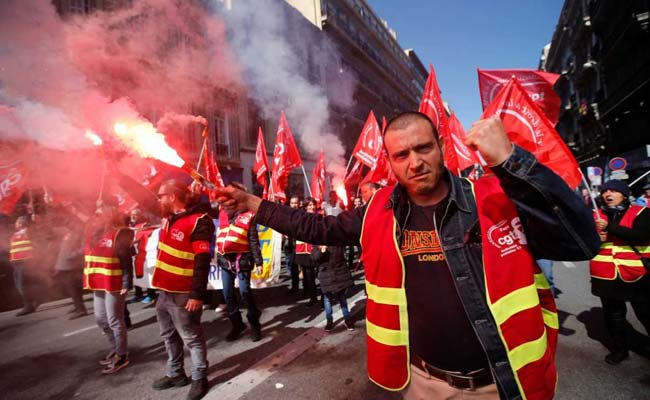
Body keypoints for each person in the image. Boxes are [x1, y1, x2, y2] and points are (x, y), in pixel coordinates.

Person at [215, 112, 600, 399]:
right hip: (423, 384)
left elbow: (581, 242)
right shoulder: (378, 210)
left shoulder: (493, 197)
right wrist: (254, 203)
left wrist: (511, 161)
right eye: (401, 155)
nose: (414, 162)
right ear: (390, 162)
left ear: (442, 148)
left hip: (498, 383)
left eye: (423, 148)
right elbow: (320, 229)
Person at [151, 179, 214, 400]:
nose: (157, 199)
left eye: (161, 195)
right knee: (169, 335)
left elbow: (202, 260)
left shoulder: (200, 221)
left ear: (172, 197)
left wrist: (197, 294)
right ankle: (176, 374)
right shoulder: (170, 218)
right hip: (164, 292)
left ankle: (199, 378)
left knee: (192, 338)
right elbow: (141, 196)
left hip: (184, 294)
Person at [591, 179, 650, 365]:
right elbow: (583, 244)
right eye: (605, 191)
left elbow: (642, 236)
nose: (607, 194)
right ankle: (620, 349)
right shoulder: (595, 215)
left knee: (645, 313)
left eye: (613, 191)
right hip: (604, 274)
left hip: (636, 273)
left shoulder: (642, 212)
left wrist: (609, 228)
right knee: (613, 316)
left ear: (624, 194)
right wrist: (595, 238)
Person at [83, 198, 134, 374]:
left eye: (98, 214)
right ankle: (115, 348)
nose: (94, 217)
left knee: (114, 320)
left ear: (108, 216)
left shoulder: (119, 233)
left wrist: (127, 282)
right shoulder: (92, 233)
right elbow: (75, 217)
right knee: (100, 319)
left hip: (115, 283)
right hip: (98, 282)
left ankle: (122, 356)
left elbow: (126, 261)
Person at [216, 194, 264, 342]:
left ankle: (254, 323)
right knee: (228, 294)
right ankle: (237, 324)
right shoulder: (222, 213)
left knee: (245, 292)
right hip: (225, 260)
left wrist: (259, 261)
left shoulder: (248, 215)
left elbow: (253, 239)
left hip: (242, 259)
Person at [313, 244, 354, 332]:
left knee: (342, 297)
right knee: (327, 299)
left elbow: (341, 257)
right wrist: (321, 252)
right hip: (325, 275)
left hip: (338, 274)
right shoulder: (318, 241)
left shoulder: (337, 240)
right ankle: (329, 320)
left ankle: (347, 319)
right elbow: (314, 258)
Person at [54, 214, 87, 320]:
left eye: (71, 222)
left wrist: (73, 255)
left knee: (73, 287)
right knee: (71, 288)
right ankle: (77, 305)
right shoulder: (67, 233)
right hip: (64, 265)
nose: (68, 223)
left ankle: (80, 309)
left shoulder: (81, 233)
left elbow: (84, 248)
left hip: (72, 265)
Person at [9, 215, 39, 316]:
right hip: (16, 263)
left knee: (22, 285)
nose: (15, 223)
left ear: (22, 223)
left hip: (24, 262)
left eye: (17, 222)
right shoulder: (16, 234)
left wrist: (34, 220)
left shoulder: (28, 231)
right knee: (19, 285)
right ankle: (34, 300)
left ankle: (28, 306)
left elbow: (35, 231)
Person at [294, 197, 319, 307]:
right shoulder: (301, 217)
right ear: (305, 207)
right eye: (309, 205)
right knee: (306, 275)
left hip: (313, 249)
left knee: (315, 275)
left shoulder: (318, 217)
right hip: (302, 250)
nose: (312, 207)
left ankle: (319, 297)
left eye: (313, 205)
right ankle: (309, 295)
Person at [284, 195, 300, 294]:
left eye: (296, 203)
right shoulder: (287, 215)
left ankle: (308, 288)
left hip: (300, 244)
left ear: (299, 203)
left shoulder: (302, 214)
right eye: (292, 203)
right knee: (293, 267)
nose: (294, 205)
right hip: (290, 245)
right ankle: (295, 287)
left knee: (304, 267)